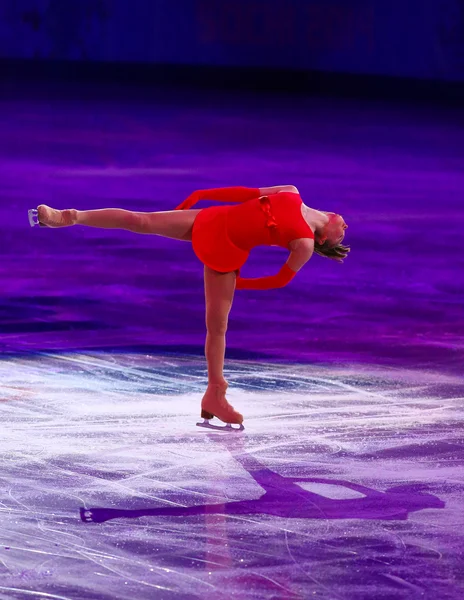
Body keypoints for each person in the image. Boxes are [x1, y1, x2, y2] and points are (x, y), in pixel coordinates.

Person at [28, 185, 349, 429]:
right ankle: (69, 216)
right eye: (344, 232)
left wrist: (240, 283)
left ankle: (215, 392)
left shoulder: (305, 243)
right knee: (141, 220)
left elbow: (280, 280)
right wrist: (201, 194)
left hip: (227, 250)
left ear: (323, 241)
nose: (345, 230)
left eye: (340, 239)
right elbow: (245, 193)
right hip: (212, 218)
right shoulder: (291, 192)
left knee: (217, 326)